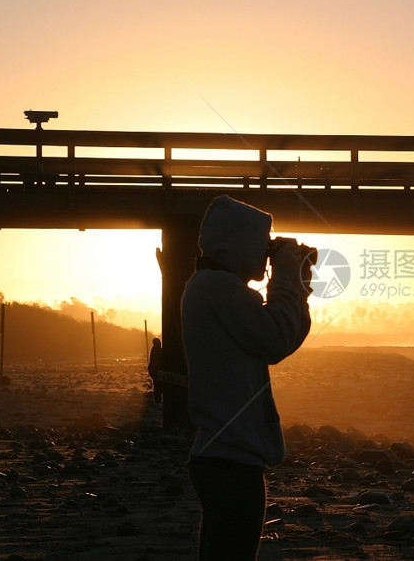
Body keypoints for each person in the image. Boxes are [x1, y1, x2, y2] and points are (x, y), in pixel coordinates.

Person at [181, 195, 312, 560]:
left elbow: (279, 339)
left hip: (223, 458)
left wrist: (295, 285)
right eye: (262, 243)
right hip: (231, 462)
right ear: (236, 243)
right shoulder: (218, 288)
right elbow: (276, 339)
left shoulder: (213, 288)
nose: (265, 251)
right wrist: (287, 278)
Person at [147, 337, 164, 403]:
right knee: (158, 387)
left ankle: (158, 400)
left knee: (157, 386)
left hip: (154, 370)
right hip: (156, 371)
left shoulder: (154, 350)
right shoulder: (157, 350)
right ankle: (158, 401)